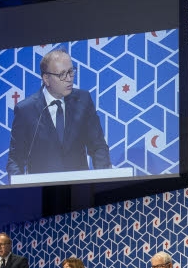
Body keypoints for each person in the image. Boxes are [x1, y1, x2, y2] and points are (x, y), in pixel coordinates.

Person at [7, 48, 111, 176]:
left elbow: (98, 146)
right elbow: (15, 160)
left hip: (79, 188)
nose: (69, 79)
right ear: (46, 78)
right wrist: (23, 191)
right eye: (62, 74)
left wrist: (103, 178)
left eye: (71, 72)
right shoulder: (25, 110)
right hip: (42, 191)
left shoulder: (83, 100)